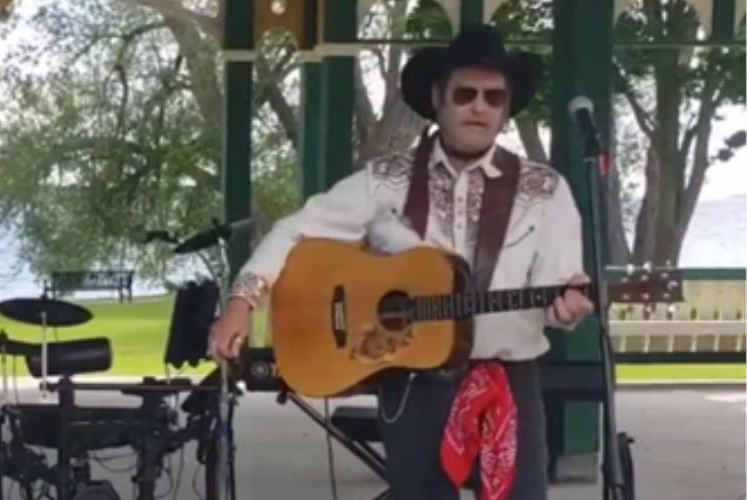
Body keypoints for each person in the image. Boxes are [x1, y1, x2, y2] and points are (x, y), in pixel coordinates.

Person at [208, 25, 594, 500]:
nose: (479, 106)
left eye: (494, 97)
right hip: (413, 376)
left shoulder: (546, 189)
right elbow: (295, 229)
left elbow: (560, 288)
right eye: (466, 93)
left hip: (509, 376)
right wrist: (242, 300)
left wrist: (568, 309)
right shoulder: (386, 180)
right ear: (438, 97)